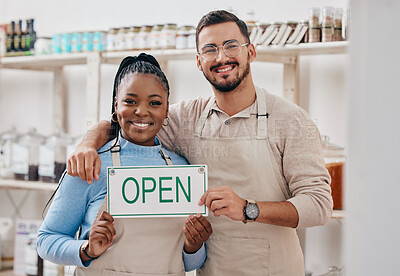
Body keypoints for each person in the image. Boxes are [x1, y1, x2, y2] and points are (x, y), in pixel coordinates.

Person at [67, 10, 333, 275]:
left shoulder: (291, 120)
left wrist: (249, 209)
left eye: (231, 46)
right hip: (211, 268)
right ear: (198, 61)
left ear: (250, 51)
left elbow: (318, 205)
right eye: (210, 49)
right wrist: (87, 144)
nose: (221, 57)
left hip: (273, 268)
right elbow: (129, 120)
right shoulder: (187, 118)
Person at [37, 53, 212, 276]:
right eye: (130, 101)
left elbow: (189, 264)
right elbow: (46, 240)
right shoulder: (91, 165)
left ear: (167, 109)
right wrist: (86, 250)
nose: (141, 111)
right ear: (116, 105)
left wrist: (193, 246)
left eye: (155, 103)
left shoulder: (182, 169)